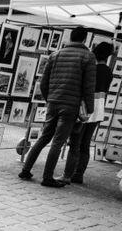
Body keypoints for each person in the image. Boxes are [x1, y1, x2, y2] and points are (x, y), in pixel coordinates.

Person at [19, 26, 96, 187]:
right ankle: (47, 177)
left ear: (70, 37)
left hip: (53, 102)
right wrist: (89, 108)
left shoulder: (56, 54)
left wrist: (50, 99)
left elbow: (43, 83)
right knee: (58, 142)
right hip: (71, 105)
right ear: (85, 39)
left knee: (44, 137)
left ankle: (26, 169)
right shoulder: (88, 57)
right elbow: (89, 87)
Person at [60, 42, 113, 185]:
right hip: (99, 110)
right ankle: (79, 174)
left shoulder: (92, 69)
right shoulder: (108, 71)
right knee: (86, 142)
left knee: (76, 141)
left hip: (85, 108)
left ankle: (69, 173)